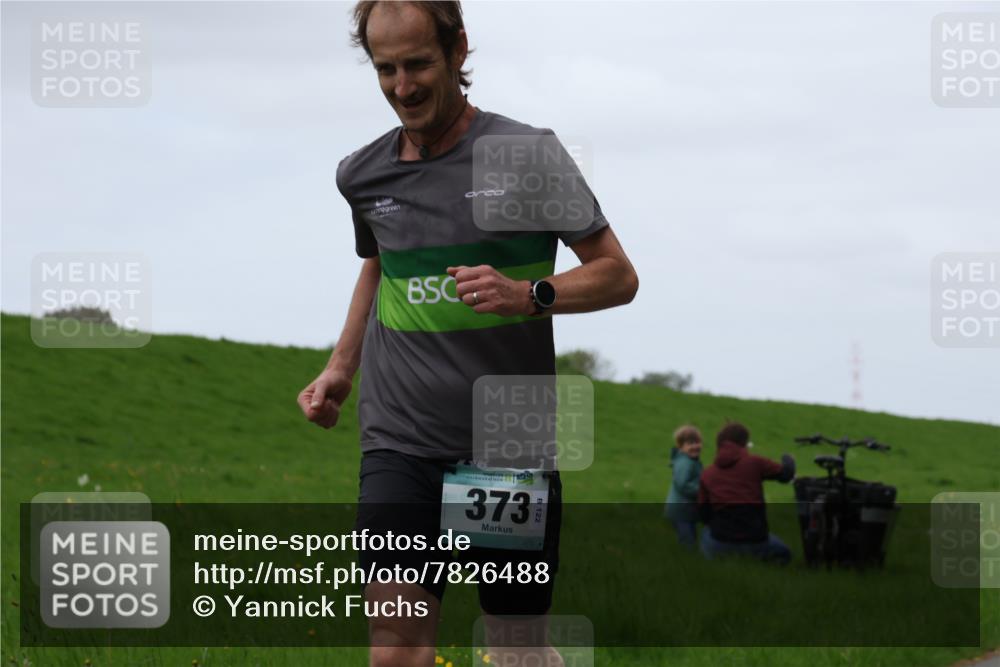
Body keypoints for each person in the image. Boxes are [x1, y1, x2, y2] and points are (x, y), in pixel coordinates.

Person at [296, 3, 639, 666]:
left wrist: (529, 294)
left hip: (506, 446)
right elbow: (382, 264)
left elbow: (617, 275)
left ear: (458, 51)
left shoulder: (526, 155)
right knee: (396, 642)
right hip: (401, 440)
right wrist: (342, 365)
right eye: (386, 69)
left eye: (419, 63)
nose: (404, 86)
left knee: (513, 646)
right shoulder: (362, 175)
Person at [697, 422, 795, 564]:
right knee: (784, 553)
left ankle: (716, 562)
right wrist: (788, 459)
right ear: (743, 442)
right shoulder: (755, 462)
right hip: (756, 540)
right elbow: (787, 474)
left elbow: (703, 513)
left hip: (721, 543)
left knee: (706, 532)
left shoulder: (707, 473)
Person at [664, 425, 703, 548]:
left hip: (686, 509)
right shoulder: (684, 463)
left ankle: (688, 556)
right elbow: (683, 485)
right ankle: (686, 559)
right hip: (681, 510)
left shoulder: (692, 461)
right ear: (680, 447)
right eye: (690, 443)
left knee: (690, 536)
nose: (695, 446)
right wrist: (702, 490)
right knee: (687, 541)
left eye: (697, 442)